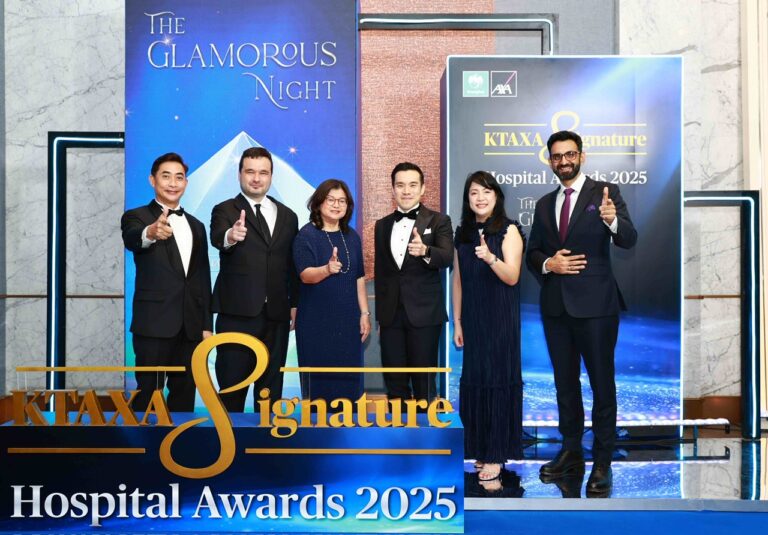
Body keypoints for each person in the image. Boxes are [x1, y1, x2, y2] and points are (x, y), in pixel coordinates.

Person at [526, 130, 637, 496]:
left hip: (597, 308)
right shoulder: (544, 204)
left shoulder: (605, 193)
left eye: (570, 154)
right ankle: (571, 451)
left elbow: (629, 238)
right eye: (557, 156)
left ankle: (603, 461)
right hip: (556, 308)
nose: (564, 161)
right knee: (565, 384)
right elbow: (533, 253)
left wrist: (612, 221)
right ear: (550, 161)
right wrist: (549, 264)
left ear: (581, 156)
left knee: (602, 384)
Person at [121, 152, 212, 412]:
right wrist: (150, 232)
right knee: (147, 396)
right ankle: (142, 438)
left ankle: (183, 438)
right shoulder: (136, 216)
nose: (173, 183)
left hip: (191, 327)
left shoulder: (197, 225)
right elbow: (133, 237)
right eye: (166, 176)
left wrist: (206, 325)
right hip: (154, 324)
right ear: (153, 180)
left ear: (186, 183)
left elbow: (202, 277)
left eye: (179, 177)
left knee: (185, 395)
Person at [210, 147, 299, 412]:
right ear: (239, 174)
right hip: (236, 315)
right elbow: (218, 237)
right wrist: (231, 235)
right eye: (250, 172)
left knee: (271, 392)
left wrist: (294, 304)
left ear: (271, 176)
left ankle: (268, 438)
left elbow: (291, 266)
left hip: (277, 316)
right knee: (232, 390)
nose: (257, 178)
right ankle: (228, 438)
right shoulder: (224, 209)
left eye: (263, 172)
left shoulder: (288, 215)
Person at [452, 171, 525, 483]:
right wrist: (457, 321)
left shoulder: (509, 230)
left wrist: (491, 259)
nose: (480, 198)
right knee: (476, 382)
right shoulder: (463, 233)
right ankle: (480, 450)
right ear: (467, 199)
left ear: (497, 196)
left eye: (486, 192)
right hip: (473, 320)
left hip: (500, 320)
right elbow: (457, 281)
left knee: (497, 383)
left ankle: (496, 454)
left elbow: (512, 276)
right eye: (473, 193)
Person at [374, 162, 453, 408]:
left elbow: (447, 257)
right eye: (400, 185)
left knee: (424, 382)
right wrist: (381, 317)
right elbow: (382, 273)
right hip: (391, 317)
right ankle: (397, 429)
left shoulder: (439, 220)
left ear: (422, 189)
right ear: (393, 189)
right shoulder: (382, 225)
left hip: (425, 314)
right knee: (394, 382)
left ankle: (425, 429)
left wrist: (426, 250)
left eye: (412, 185)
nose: (406, 191)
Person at [293, 179, 370, 400]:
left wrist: (365, 313)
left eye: (342, 201)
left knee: (349, 387)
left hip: (348, 322)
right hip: (315, 323)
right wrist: (326, 269)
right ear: (318, 203)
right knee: (318, 390)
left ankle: (348, 423)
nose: (337, 205)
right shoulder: (306, 235)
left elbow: (359, 277)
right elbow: (305, 275)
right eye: (331, 200)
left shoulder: (352, 236)